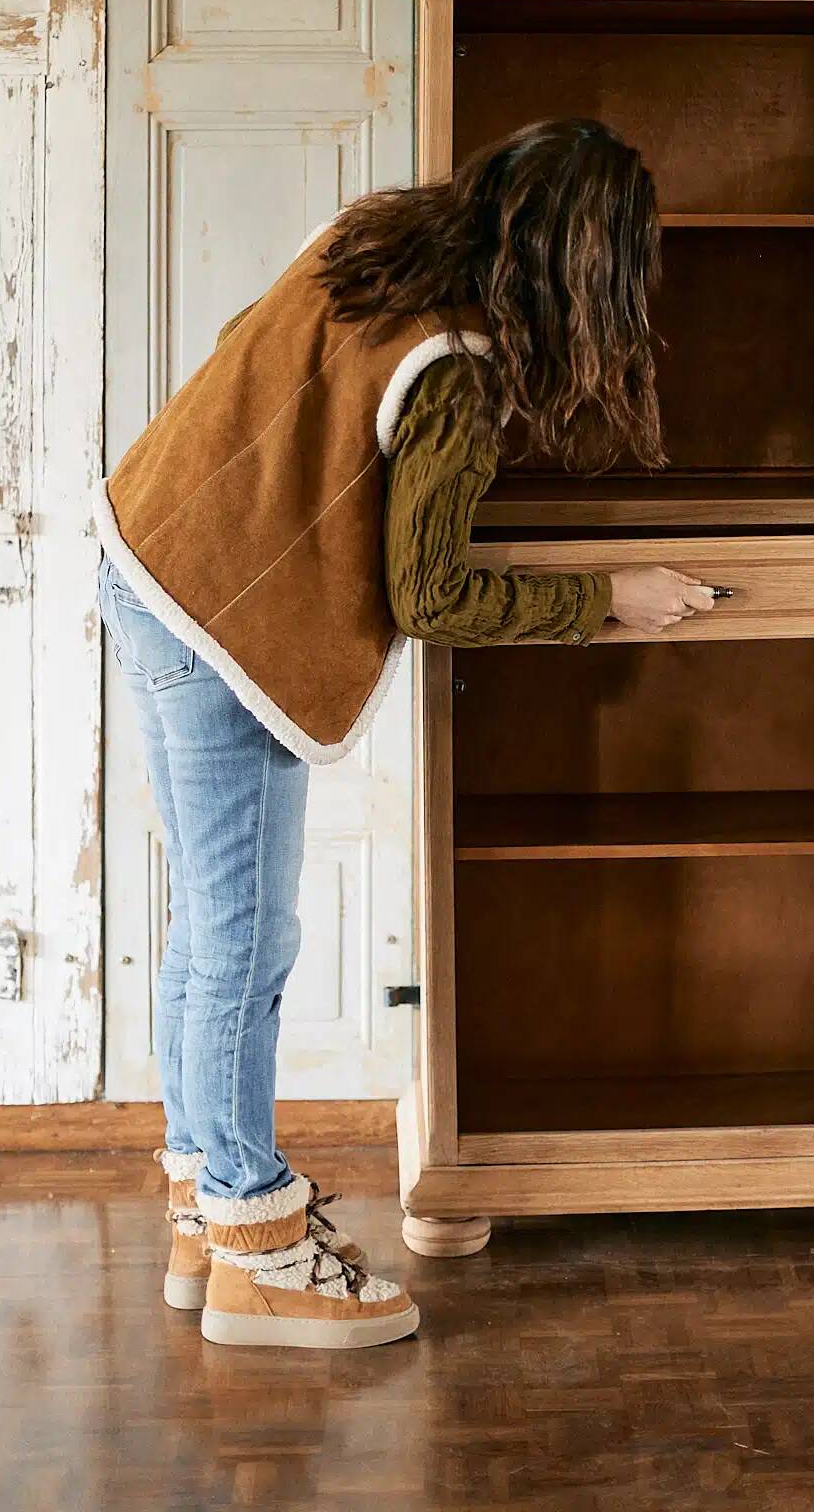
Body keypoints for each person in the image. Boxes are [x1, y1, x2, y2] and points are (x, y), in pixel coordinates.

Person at [95, 118, 714, 1350]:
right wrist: (608, 597)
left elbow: (238, 352)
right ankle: (256, 1249)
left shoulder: (374, 243)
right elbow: (430, 595)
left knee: (209, 930)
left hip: (145, 549)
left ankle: (206, 1198)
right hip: (221, 626)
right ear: (581, 266)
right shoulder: (456, 371)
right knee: (246, 937)